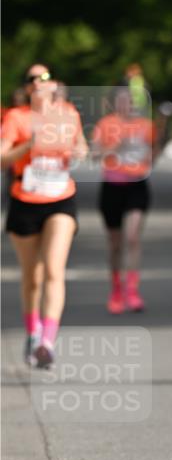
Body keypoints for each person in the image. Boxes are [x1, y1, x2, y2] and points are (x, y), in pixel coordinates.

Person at [1, 64, 87, 367]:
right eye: (32, 79)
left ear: (53, 84)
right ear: (27, 88)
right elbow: (2, 157)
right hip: (25, 199)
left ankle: (47, 342)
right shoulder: (17, 117)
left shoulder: (68, 114)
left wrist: (79, 151)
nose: (38, 82)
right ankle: (32, 332)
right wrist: (29, 143)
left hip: (60, 198)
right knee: (32, 277)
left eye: (45, 77)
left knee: (53, 269)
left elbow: (82, 146)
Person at [92, 85, 158, 313]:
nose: (126, 105)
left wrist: (149, 153)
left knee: (132, 238)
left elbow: (152, 154)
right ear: (114, 104)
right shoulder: (106, 125)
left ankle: (132, 291)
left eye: (129, 101)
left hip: (137, 186)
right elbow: (94, 155)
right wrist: (117, 146)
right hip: (112, 186)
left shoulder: (145, 126)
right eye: (121, 101)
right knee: (115, 243)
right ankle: (116, 290)